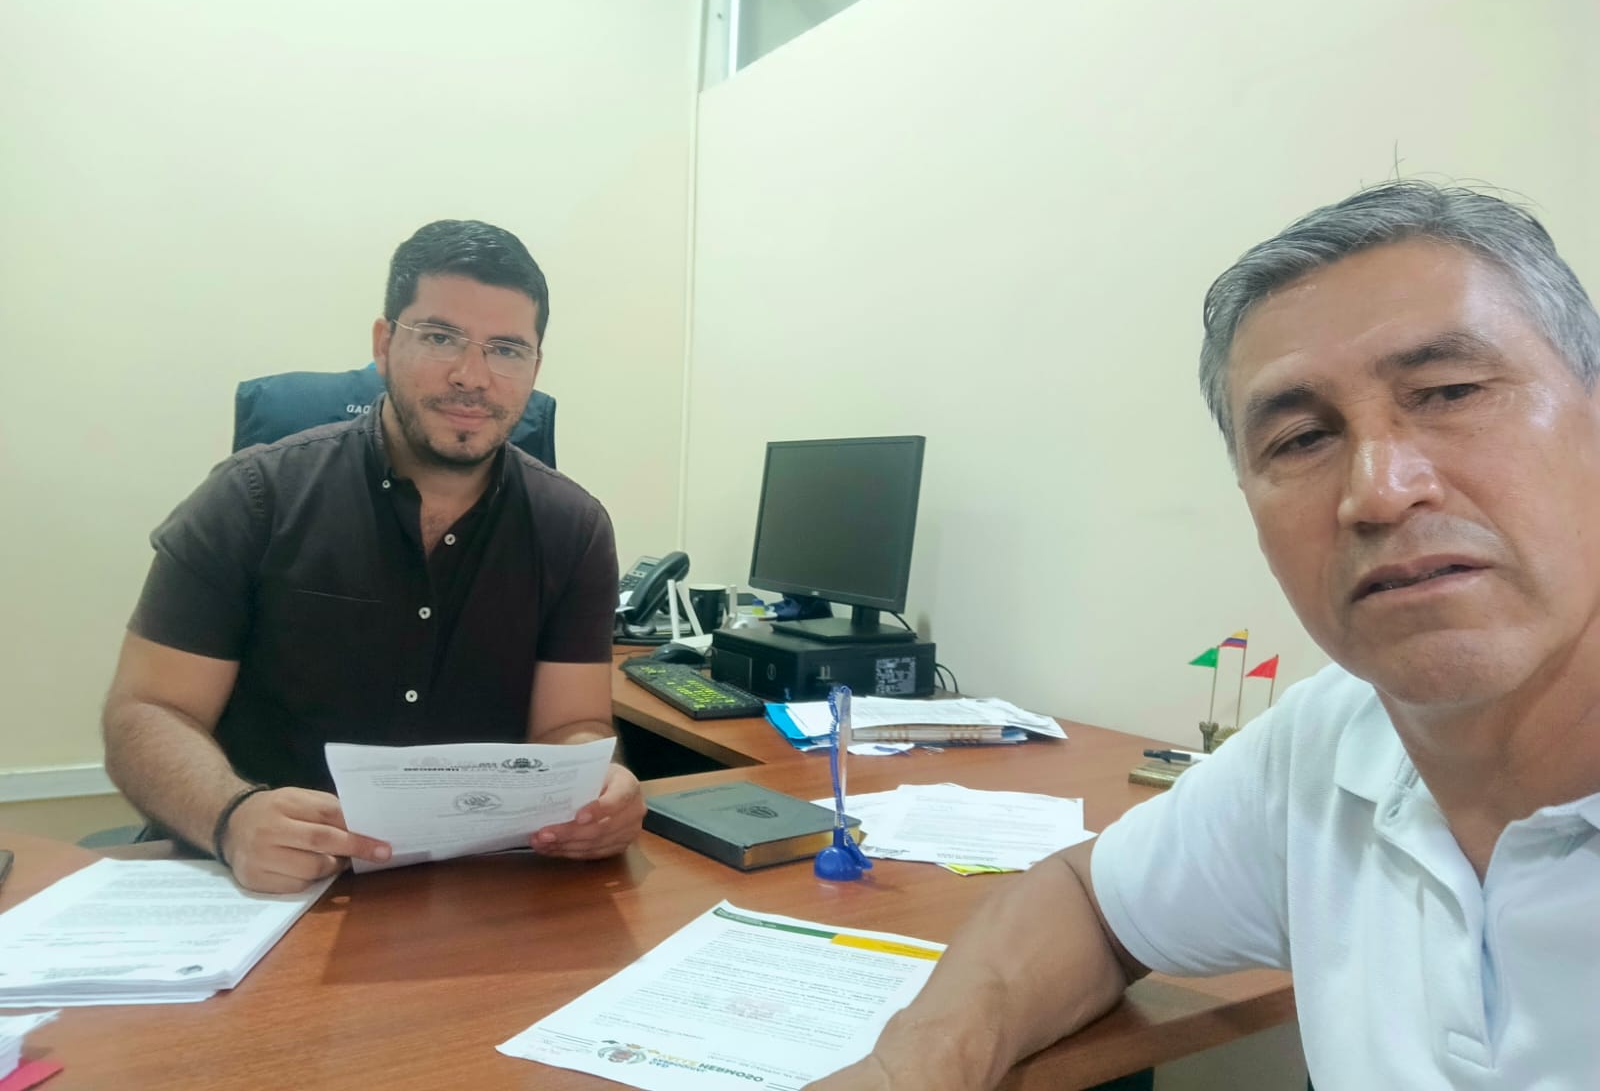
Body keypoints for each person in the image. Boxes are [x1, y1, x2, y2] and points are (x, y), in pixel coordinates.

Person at [808, 182, 1600, 1089]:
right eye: (1301, 439)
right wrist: (911, 1069)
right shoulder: (1330, 744)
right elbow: (1086, 900)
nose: (1379, 491)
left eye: (1451, 392)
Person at [102, 219, 645, 893]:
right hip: (268, 888)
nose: (472, 376)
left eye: (507, 349)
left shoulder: (574, 529)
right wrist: (230, 817)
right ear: (384, 344)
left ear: (535, 368)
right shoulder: (252, 500)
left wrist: (596, 786)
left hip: (471, 890)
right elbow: (148, 711)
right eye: (440, 337)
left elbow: (571, 725)